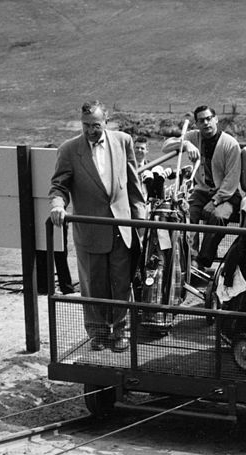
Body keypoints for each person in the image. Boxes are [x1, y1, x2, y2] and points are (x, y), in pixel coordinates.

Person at [49, 100, 146, 352]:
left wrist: (140, 214)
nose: (90, 130)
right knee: (93, 284)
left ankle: (121, 332)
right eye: (85, 125)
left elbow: (133, 182)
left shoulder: (123, 141)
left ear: (106, 121)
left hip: (121, 226)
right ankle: (99, 334)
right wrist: (58, 205)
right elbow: (59, 185)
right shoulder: (69, 150)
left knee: (121, 282)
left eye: (95, 125)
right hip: (91, 229)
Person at [162, 105, 241, 268]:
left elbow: (231, 180)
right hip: (202, 191)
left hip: (227, 194)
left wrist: (215, 201)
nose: (206, 123)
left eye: (209, 119)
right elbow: (166, 146)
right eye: (201, 120)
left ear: (216, 119)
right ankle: (190, 257)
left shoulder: (230, 144)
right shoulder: (194, 137)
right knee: (187, 212)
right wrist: (186, 145)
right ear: (196, 124)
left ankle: (203, 260)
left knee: (218, 216)